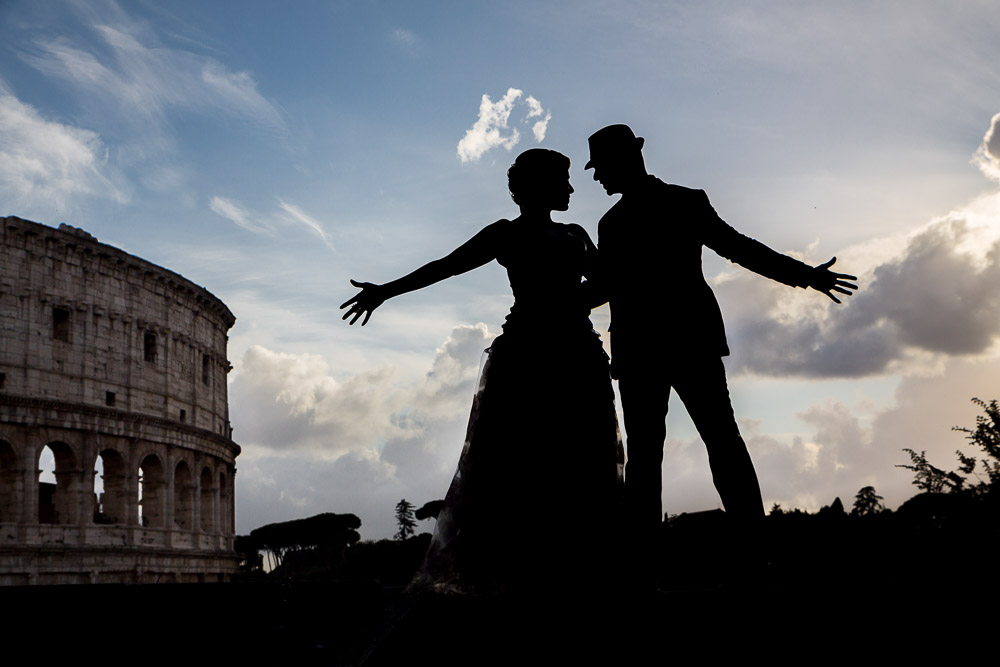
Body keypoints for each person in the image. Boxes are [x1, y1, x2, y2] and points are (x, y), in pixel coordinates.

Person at [341, 148, 624, 594]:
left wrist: (569, 302)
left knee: (580, 460)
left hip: (573, 355)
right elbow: (444, 267)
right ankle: (521, 570)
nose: (571, 189)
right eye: (563, 181)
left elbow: (609, 283)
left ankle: (573, 566)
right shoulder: (508, 234)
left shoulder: (575, 234)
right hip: (531, 357)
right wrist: (387, 291)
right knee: (516, 463)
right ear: (538, 187)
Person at [585, 124, 858, 583]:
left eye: (601, 168)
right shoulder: (623, 219)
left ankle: (736, 556)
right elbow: (611, 286)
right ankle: (693, 561)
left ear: (627, 159)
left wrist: (805, 276)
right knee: (683, 450)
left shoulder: (657, 210)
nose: (597, 179)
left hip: (664, 346)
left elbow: (738, 248)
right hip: (664, 346)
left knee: (703, 447)